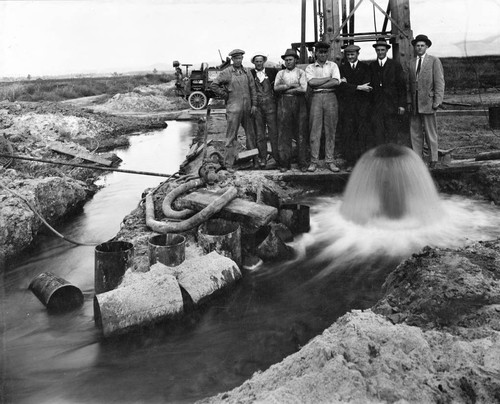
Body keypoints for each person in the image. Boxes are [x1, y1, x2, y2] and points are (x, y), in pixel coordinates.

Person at [209, 49, 258, 172]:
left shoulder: (247, 72)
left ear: (242, 59)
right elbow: (214, 85)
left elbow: (253, 89)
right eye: (236, 58)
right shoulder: (227, 72)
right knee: (231, 137)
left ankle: (255, 161)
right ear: (232, 60)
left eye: (240, 58)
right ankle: (229, 164)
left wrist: (254, 105)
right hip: (233, 109)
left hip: (247, 109)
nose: (238, 60)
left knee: (251, 135)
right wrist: (225, 95)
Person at [407, 34, 445, 169]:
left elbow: (439, 82)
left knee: (430, 132)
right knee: (415, 132)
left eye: (422, 45)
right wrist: (409, 102)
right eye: (417, 46)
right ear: (414, 47)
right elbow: (408, 84)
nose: (419, 48)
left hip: (428, 102)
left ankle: (433, 158)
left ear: (427, 46)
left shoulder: (434, 61)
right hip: (415, 103)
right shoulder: (411, 63)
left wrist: (437, 101)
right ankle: (418, 159)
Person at [305, 41, 341, 172]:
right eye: (320, 52)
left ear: (328, 53)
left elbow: (336, 82)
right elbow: (311, 82)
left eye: (325, 52)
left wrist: (319, 83)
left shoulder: (333, 65)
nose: (323, 54)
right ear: (316, 53)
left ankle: (330, 161)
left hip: (331, 97)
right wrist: (328, 79)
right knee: (315, 130)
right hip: (316, 98)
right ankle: (314, 161)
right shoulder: (310, 67)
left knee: (330, 129)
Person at [338, 44, 372, 169]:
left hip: (362, 106)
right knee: (348, 133)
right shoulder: (341, 68)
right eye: (348, 55)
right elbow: (340, 87)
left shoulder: (365, 67)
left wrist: (349, 86)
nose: (350, 57)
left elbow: (367, 85)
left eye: (352, 54)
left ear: (358, 54)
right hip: (348, 107)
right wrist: (358, 87)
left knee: (362, 133)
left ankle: (362, 162)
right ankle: (350, 162)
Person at [274, 48, 308, 172]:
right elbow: (276, 88)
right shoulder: (280, 74)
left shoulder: (301, 72)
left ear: (295, 60)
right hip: (284, 103)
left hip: (299, 103)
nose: (288, 62)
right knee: (284, 134)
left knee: (301, 133)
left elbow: (303, 89)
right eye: (286, 60)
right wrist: (291, 86)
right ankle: (284, 163)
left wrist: (286, 89)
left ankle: (302, 163)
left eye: (290, 60)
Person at [369, 38, 406, 147]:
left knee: (392, 133)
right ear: (376, 51)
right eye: (378, 50)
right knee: (378, 134)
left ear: (387, 50)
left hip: (392, 106)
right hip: (376, 107)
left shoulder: (395, 65)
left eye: (382, 50)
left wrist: (401, 105)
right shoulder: (372, 66)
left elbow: (401, 87)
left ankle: (392, 158)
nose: (380, 52)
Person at [250, 53, 279, 169]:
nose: (258, 63)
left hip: (271, 106)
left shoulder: (273, 72)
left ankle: (277, 158)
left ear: (264, 62)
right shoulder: (250, 74)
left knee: (273, 132)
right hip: (257, 107)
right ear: (254, 63)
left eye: (260, 61)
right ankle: (263, 158)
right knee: (260, 134)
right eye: (256, 61)